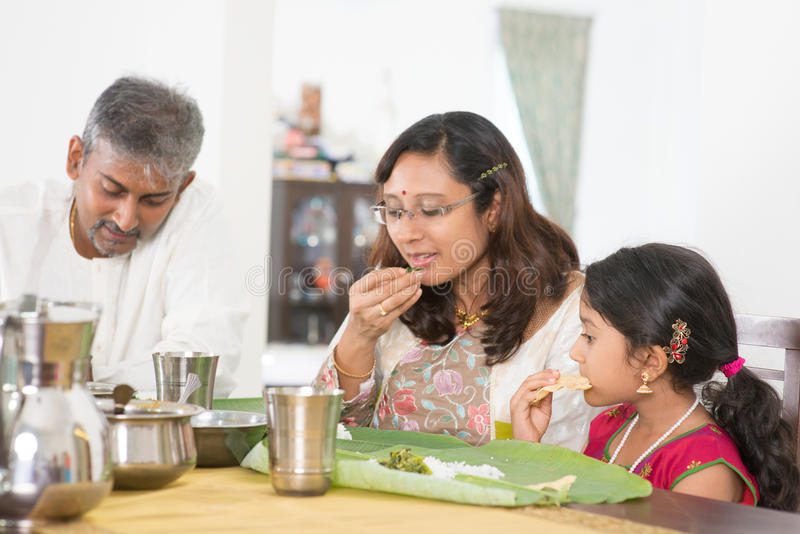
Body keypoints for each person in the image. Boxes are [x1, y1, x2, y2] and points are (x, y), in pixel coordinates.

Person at [313, 111, 595, 450]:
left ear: (493, 207)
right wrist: (359, 337)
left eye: (431, 210)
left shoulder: (570, 308)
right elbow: (326, 434)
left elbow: (567, 456)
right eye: (394, 210)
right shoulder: (387, 294)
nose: (406, 234)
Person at [0, 76, 245, 394]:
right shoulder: (10, 222)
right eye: (111, 190)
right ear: (76, 159)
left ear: (182, 187)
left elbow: (207, 364)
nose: (126, 219)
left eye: (154, 200)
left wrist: (73, 376)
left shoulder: (196, 212)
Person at [511, 243, 799, 509]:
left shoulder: (705, 473)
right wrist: (529, 448)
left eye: (589, 336)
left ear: (650, 361)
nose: (575, 352)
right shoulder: (612, 426)